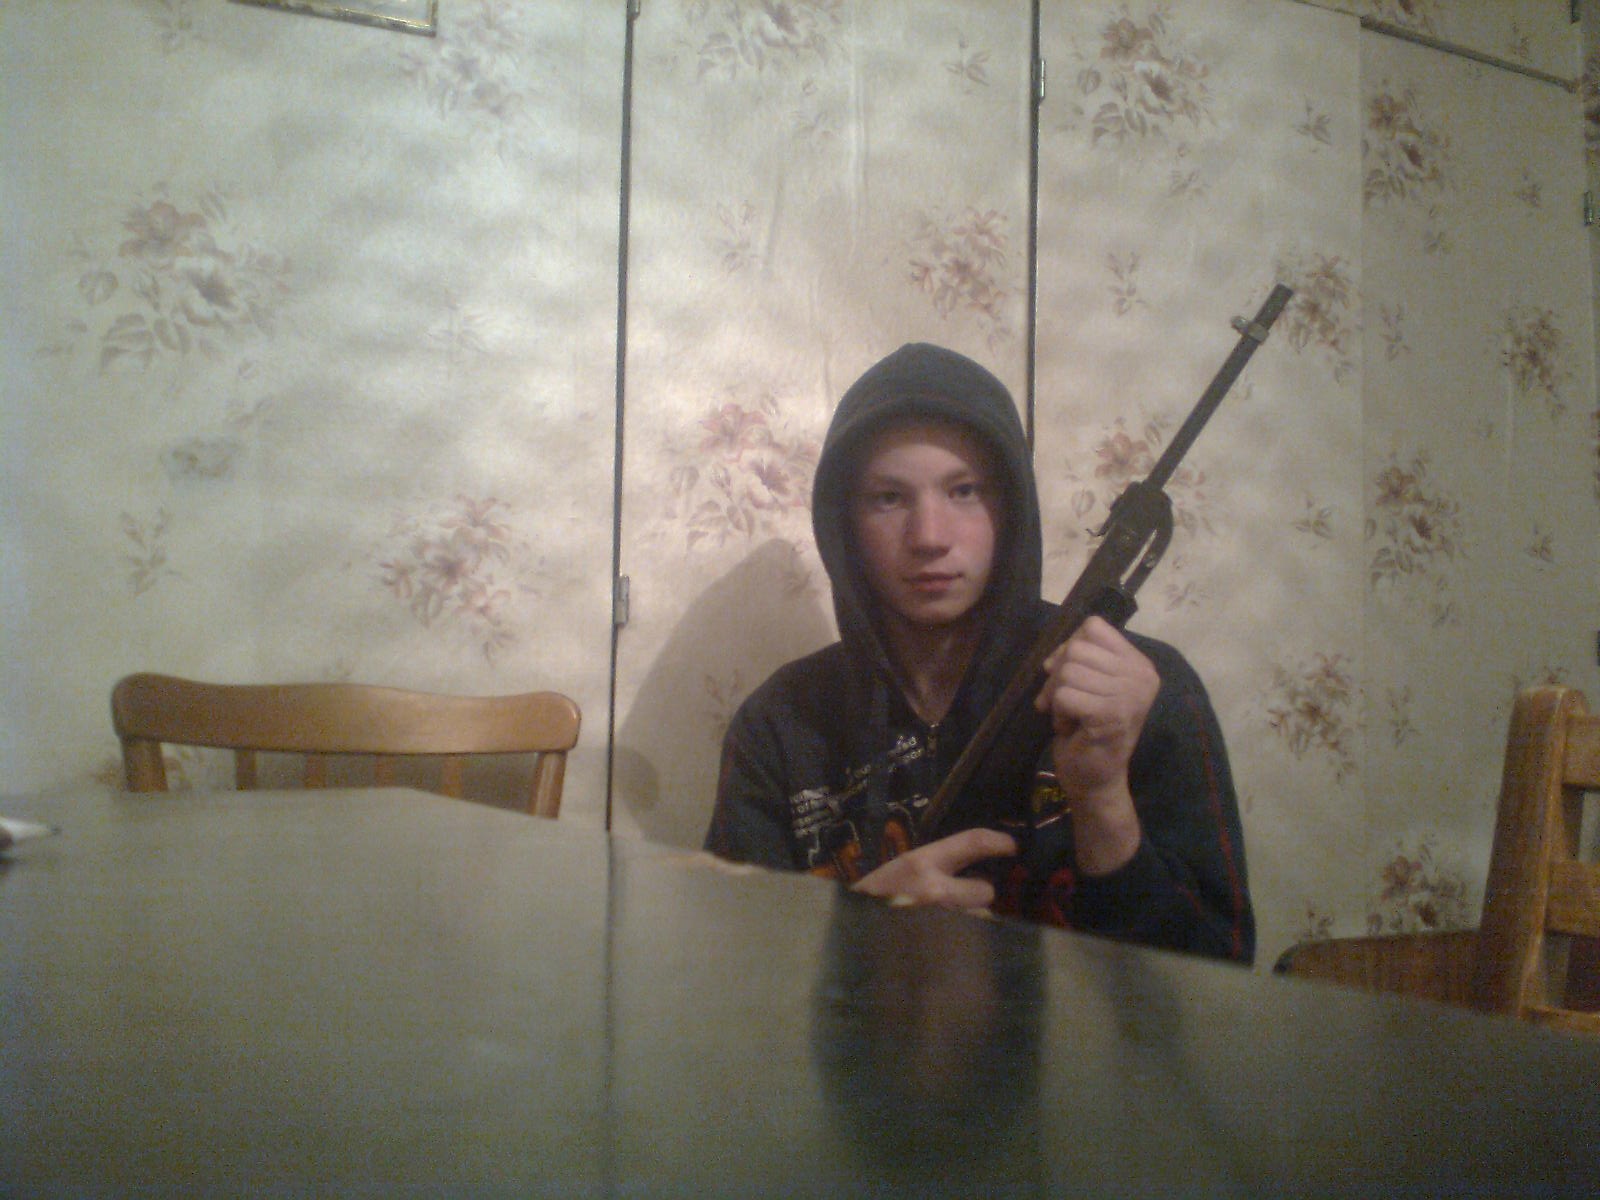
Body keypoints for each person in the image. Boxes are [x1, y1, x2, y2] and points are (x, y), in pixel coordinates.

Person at [704, 343, 1254, 963]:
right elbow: (728, 977)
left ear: (1011, 508)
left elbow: (1220, 978)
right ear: (844, 524)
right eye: (888, 498)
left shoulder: (1138, 694)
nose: (929, 537)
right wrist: (858, 936)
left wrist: (1103, 803)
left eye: (964, 490)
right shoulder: (779, 726)